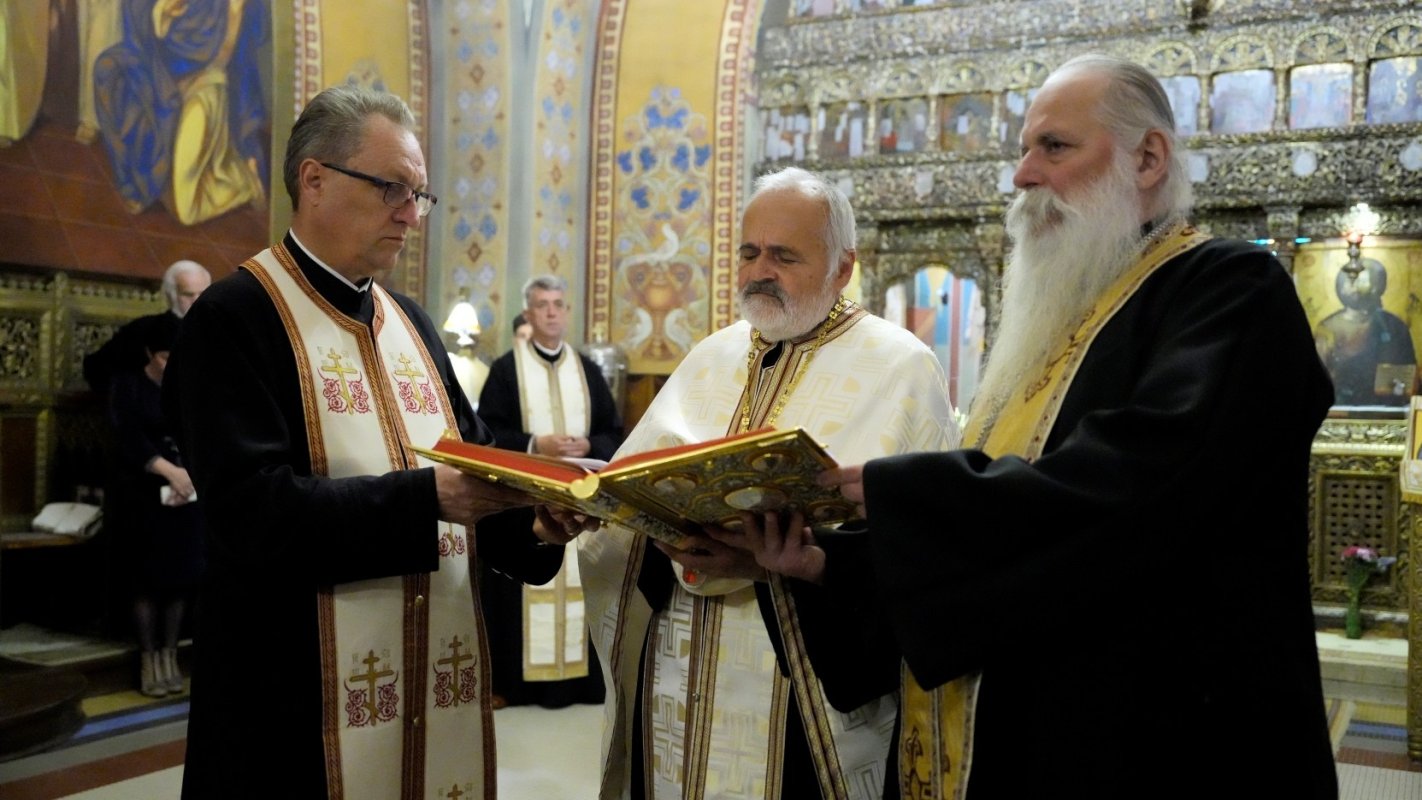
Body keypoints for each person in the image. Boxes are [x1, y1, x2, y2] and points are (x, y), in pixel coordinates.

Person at [720, 54, 1340, 799]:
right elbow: (1006, 548)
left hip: (1157, 742)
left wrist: (898, 494)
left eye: (1054, 147)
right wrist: (828, 567)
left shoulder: (1231, 292)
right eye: (1022, 149)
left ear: (1148, 158)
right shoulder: (1053, 328)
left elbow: (1133, 489)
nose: (1021, 174)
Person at [163, 84, 569, 799]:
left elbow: (471, 471)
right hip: (291, 700)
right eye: (391, 189)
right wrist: (426, 499)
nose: (411, 215)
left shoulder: (410, 323)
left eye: (419, 195)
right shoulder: (236, 318)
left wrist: (539, 518)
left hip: (432, 682)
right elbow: (249, 514)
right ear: (313, 179)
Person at [576, 166, 959, 799]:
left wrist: (773, 563)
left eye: (784, 256)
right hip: (680, 662)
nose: (760, 271)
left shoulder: (900, 366)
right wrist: (612, 500)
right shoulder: (711, 355)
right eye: (750, 252)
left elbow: (921, 554)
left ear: (842, 268)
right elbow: (633, 490)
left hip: (801, 690)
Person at [476, 275, 623, 708]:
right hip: (527, 504)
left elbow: (614, 433)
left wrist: (591, 446)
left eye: (559, 303)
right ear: (529, 313)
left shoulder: (589, 371)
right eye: (543, 304)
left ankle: (582, 683)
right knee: (527, 581)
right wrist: (533, 445)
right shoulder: (506, 369)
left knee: (581, 579)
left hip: (581, 501)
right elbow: (488, 434)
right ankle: (516, 685)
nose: (553, 312)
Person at [106, 313, 203, 697]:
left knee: (181, 579)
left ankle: (169, 654)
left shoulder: (190, 386)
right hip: (142, 494)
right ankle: (149, 657)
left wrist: (189, 475)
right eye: (165, 357)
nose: (170, 364)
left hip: (186, 495)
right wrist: (168, 471)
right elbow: (126, 436)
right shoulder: (127, 386)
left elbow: (202, 434)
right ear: (150, 353)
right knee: (147, 580)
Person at [84, 259, 212, 395]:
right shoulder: (144, 329)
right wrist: (148, 375)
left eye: (202, 294)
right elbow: (96, 371)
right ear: (171, 295)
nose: (197, 301)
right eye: (188, 294)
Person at [1314, 255, 1417, 406]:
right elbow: (1318, 376)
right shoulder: (1328, 327)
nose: (1353, 287)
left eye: (1362, 281)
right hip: (1339, 407)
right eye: (1350, 281)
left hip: (1385, 408)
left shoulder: (1392, 325)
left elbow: (1406, 377)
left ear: (1378, 286)